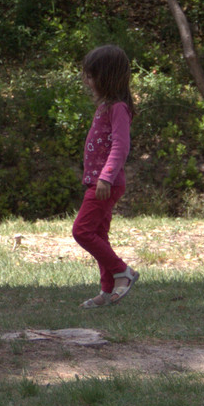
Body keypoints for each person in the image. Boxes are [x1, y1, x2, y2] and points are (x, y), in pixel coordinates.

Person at [75, 44, 140, 308]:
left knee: (82, 231)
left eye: (91, 75)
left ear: (107, 77)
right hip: (97, 182)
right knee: (99, 234)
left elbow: (120, 146)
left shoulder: (118, 108)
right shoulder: (106, 106)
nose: (87, 80)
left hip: (105, 184)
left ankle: (122, 270)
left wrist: (106, 177)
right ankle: (106, 290)